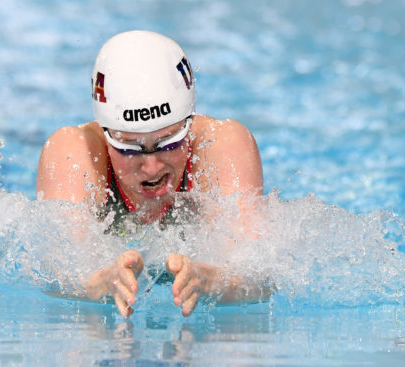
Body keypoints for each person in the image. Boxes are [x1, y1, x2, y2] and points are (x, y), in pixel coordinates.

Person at [36, 30, 267, 317]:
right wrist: (99, 283)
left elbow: (259, 274)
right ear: (107, 134)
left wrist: (212, 280)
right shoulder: (76, 152)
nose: (152, 167)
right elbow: (53, 272)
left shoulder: (221, 146)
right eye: (128, 148)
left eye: (170, 143)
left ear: (189, 121)